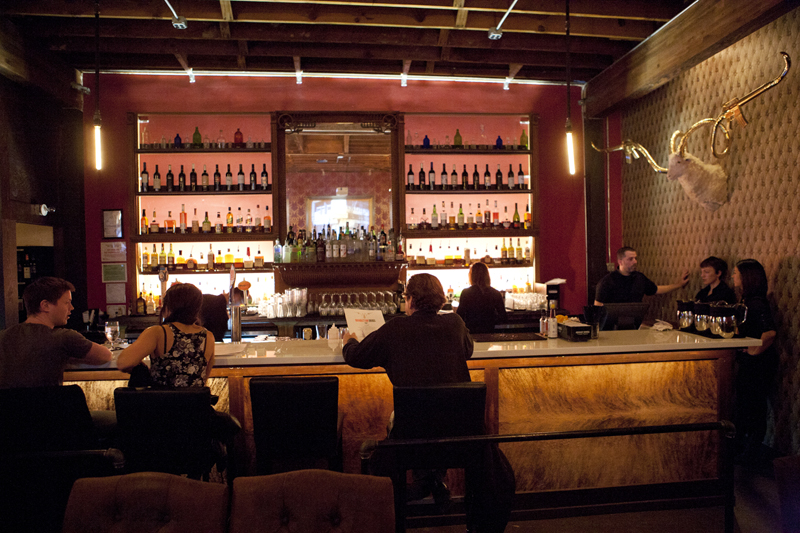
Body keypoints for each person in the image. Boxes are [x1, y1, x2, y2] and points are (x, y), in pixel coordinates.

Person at [342, 273, 473, 503]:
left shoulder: (395, 329)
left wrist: (349, 342)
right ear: (440, 299)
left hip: (410, 438)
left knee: (407, 420)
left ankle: (410, 493)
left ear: (410, 300)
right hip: (459, 434)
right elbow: (468, 351)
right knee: (431, 416)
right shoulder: (456, 323)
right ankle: (432, 479)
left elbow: (356, 356)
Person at [0, 277, 112, 388]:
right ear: (45, 305)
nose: (71, 308)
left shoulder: (3, 336)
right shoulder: (63, 337)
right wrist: (67, 355)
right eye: (67, 303)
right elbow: (106, 356)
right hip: (48, 400)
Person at [118, 283, 214, 386]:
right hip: (195, 397)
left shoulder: (158, 332)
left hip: (159, 396)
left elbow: (123, 362)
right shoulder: (208, 336)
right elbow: (203, 379)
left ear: (168, 306)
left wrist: (143, 368)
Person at [732, 259, 778, 465]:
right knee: (745, 405)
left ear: (746, 277)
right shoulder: (747, 300)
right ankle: (743, 451)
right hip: (751, 363)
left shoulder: (756, 303)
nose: (733, 276)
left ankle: (750, 455)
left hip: (759, 364)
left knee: (755, 407)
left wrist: (753, 351)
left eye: (736, 273)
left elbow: (770, 333)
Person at [594, 246, 690, 306]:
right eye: (630, 259)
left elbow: (656, 289)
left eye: (635, 258)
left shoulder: (639, 278)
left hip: (634, 324)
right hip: (611, 328)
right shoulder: (607, 281)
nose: (635, 261)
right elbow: (597, 306)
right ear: (620, 262)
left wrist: (679, 284)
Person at [456, 262, 508, 334]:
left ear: (472, 276)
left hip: (471, 332)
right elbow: (503, 317)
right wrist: (492, 319)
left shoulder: (466, 293)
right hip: (489, 332)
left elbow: (459, 316)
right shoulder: (495, 293)